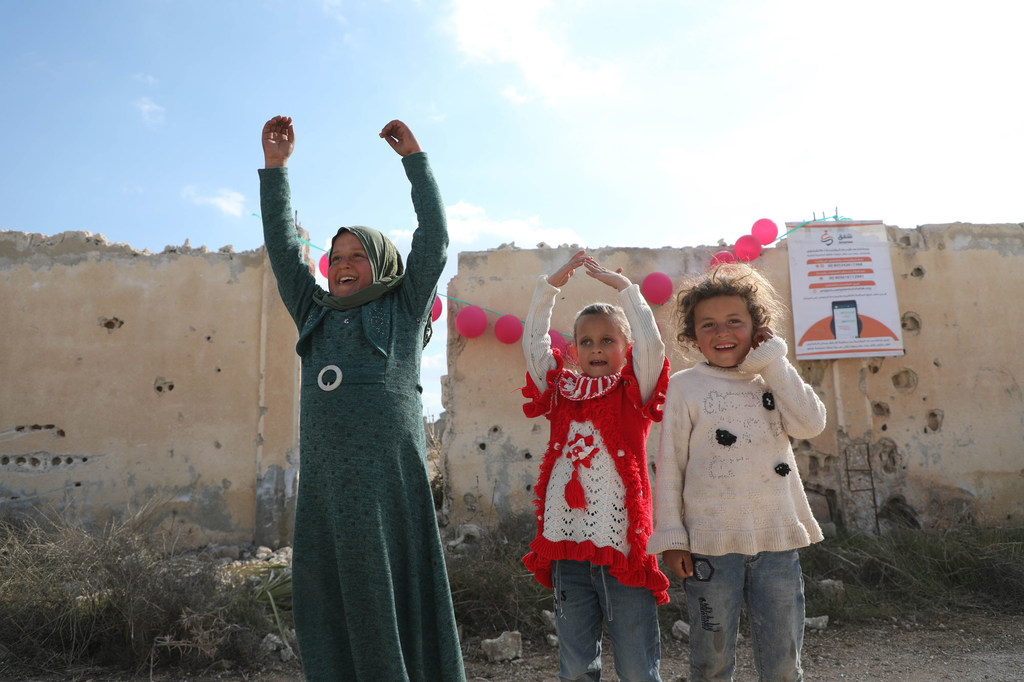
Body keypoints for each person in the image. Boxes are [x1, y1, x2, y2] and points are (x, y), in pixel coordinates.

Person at [259, 115, 465, 681]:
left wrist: (415, 162)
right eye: (337, 255)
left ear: (380, 265)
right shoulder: (313, 313)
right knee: (333, 606)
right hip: (327, 494)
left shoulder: (401, 311)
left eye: (357, 256)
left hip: (389, 490)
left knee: (394, 598)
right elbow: (283, 249)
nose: (343, 264)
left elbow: (435, 239)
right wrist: (276, 171)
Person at [647, 263, 827, 682]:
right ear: (693, 336)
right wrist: (672, 538)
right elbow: (670, 464)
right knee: (711, 662)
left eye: (735, 321)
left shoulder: (772, 378)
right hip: (710, 547)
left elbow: (810, 424)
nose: (722, 332)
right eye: (708, 324)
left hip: (776, 540)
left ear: (757, 328)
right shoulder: (685, 385)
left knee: (783, 664)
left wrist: (774, 362)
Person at [520, 250, 671, 682]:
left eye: (608, 340)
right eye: (586, 341)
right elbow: (533, 345)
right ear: (574, 350)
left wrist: (625, 291)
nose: (597, 348)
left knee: (636, 665)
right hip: (567, 543)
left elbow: (655, 346)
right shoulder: (562, 391)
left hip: (622, 547)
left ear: (627, 348)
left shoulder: (634, 392)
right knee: (575, 663)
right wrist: (549, 288)